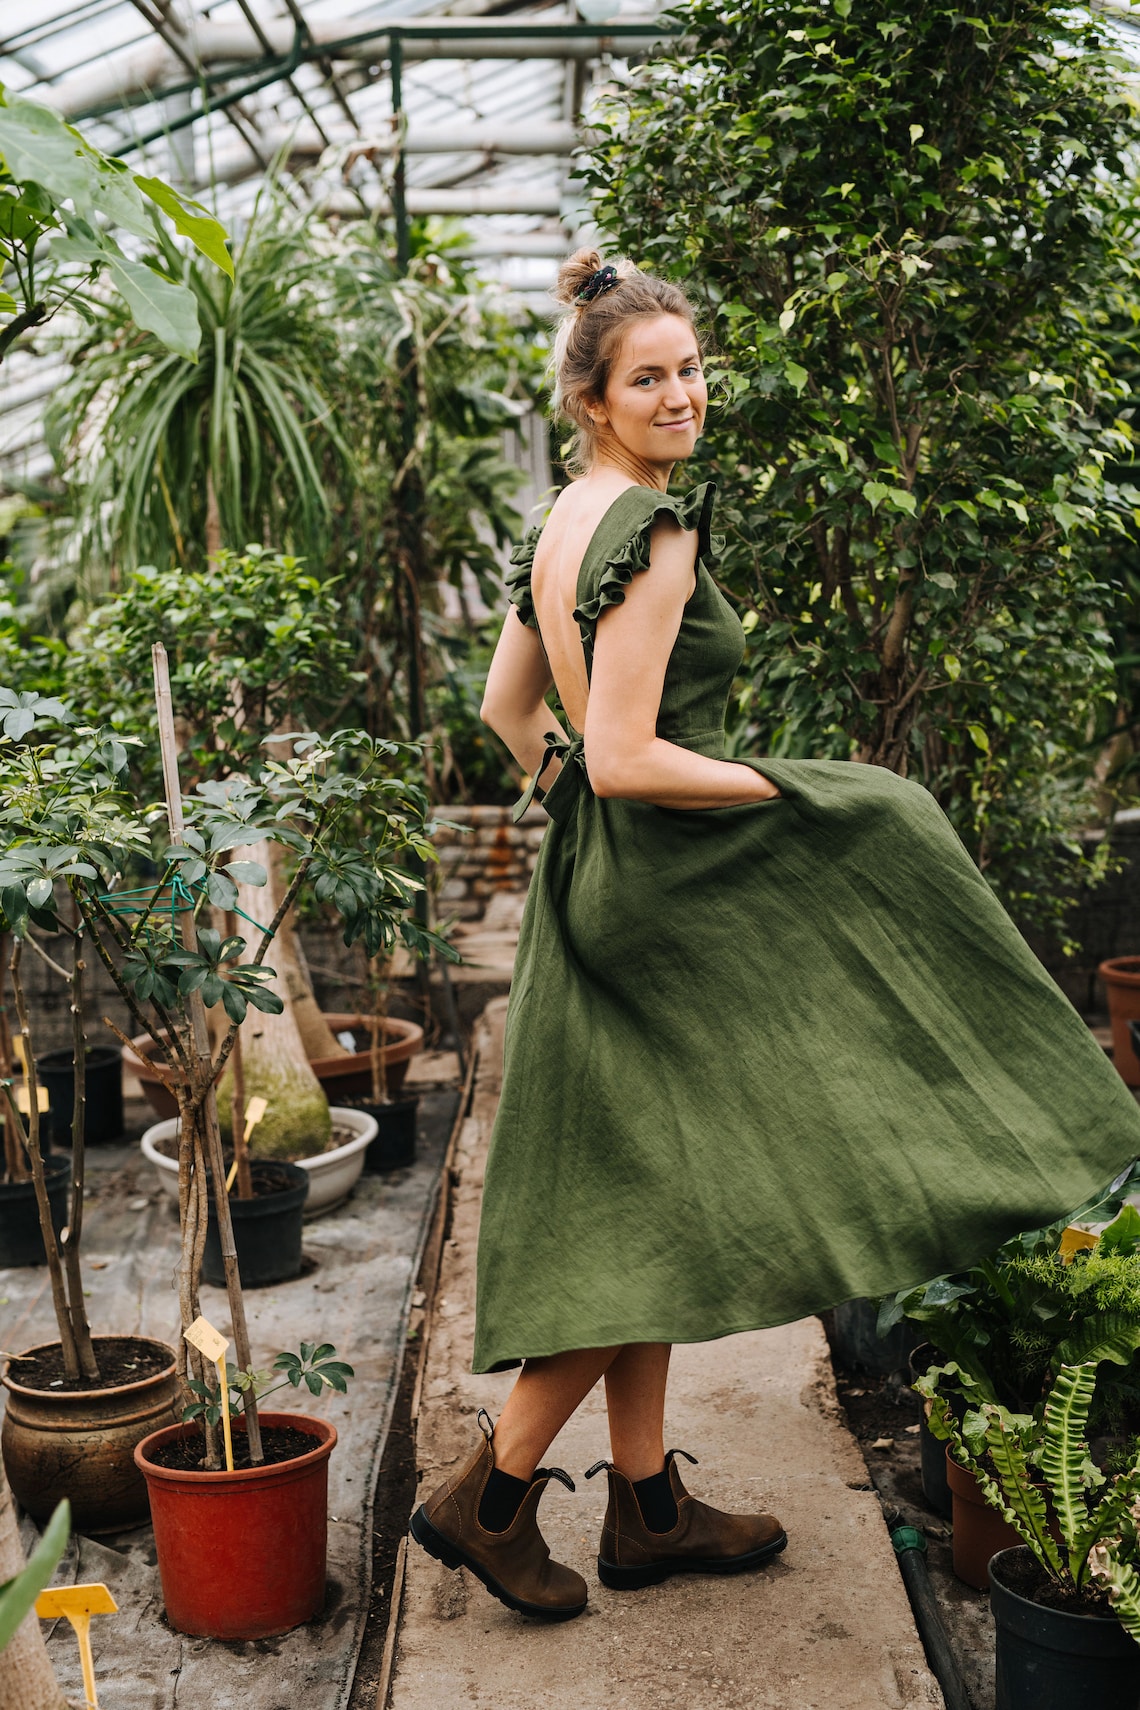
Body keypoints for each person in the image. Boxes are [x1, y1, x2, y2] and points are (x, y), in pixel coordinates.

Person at [409, 249, 1140, 1621]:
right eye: (650, 377)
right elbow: (626, 754)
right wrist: (794, 792)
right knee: (668, 1202)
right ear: (593, 395)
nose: (680, 393)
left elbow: (518, 720)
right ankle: (490, 1495)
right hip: (676, 894)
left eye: (690, 369)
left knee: (657, 1198)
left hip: (600, 886)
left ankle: (645, 1506)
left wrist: (576, 810)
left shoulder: (567, 519)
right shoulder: (660, 535)